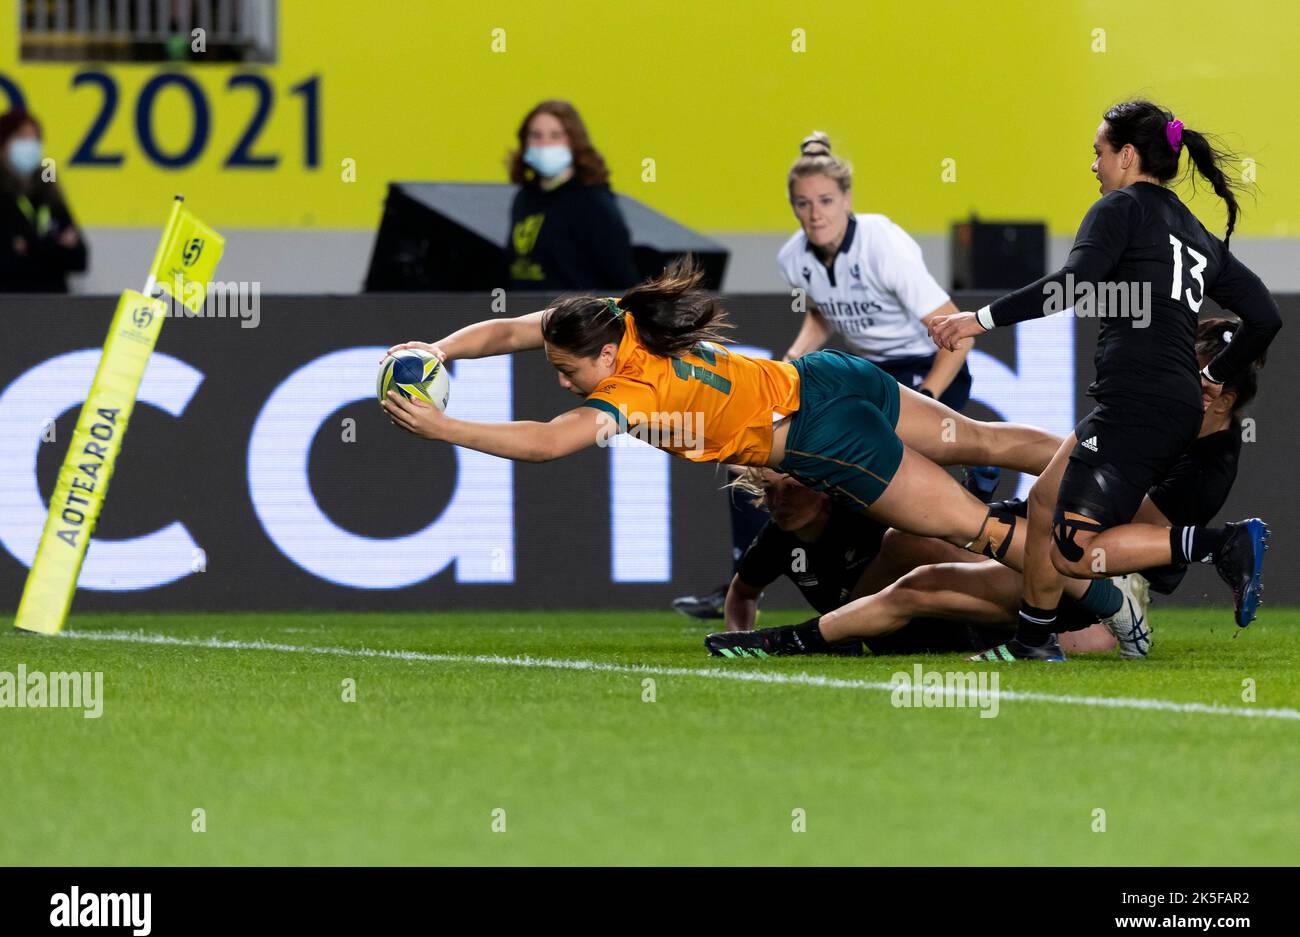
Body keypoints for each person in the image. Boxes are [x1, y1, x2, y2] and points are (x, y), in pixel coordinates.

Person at [381, 257, 1062, 564]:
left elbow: (547, 443)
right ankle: (1107, 474)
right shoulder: (619, 317)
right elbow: (506, 332)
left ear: (604, 357)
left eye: (567, 372)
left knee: (982, 534)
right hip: (828, 376)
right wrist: (440, 349)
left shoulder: (632, 393)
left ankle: (1103, 586)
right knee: (983, 440)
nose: (564, 384)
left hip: (821, 433)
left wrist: (442, 426)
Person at [930, 100, 1280, 660]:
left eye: (1098, 152)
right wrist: (1212, 374)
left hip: (1136, 401)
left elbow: (1070, 285)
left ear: (1127, 154)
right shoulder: (1195, 234)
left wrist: (977, 320)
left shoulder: (1121, 208)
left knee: (1072, 551)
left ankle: (1219, 544)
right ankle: (1033, 640)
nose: (1093, 165)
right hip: (1159, 402)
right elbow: (1266, 317)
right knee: (1045, 502)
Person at [707, 313, 1259, 660]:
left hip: (1084, 568)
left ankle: (795, 640)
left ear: (1224, 399)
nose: (1183, 384)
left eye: (1199, 378)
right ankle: (843, 631)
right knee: (911, 544)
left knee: (920, 584)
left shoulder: (1205, 463)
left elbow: (1133, 539)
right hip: (1058, 541)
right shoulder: (1166, 417)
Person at [671, 131, 998, 620]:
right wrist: (787, 365)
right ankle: (741, 581)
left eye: (825, 201)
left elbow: (960, 334)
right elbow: (825, 312)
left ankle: (981, 512)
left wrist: (926, 394)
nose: (815, 213)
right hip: (866, 374)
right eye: (803, 203)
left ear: (847, 200)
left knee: (908, 480)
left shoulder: (882, 244)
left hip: (924, 366)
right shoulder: (793, 258)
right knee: (750, 455)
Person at [711, 469, 1123, 659]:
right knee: (916, 568)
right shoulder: (775, 540)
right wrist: (739, 633)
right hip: (884, 627)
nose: (780, 501)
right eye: (770, 490)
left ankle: (1066, 614)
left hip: (933, 615)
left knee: (918, 556)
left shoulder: (861, 509)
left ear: (821, 491)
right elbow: (742, 593)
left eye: (792, 488)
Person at [505, 99, 639, 292]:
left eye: (555, 136)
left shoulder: (592, 202)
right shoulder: (524, 199)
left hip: (574, 318)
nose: (545, 144)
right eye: (536, 136)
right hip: (524, 315)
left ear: (574, 141)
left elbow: (622, 276)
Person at [0, 107, 87, 292]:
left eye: (35, 138)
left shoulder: (48, 188)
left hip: (53, 306)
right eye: (22, 137)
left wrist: (28, 246)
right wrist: (56, 247)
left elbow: (80, 258)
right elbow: (7, 265)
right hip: (10, 307)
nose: (31, 144)